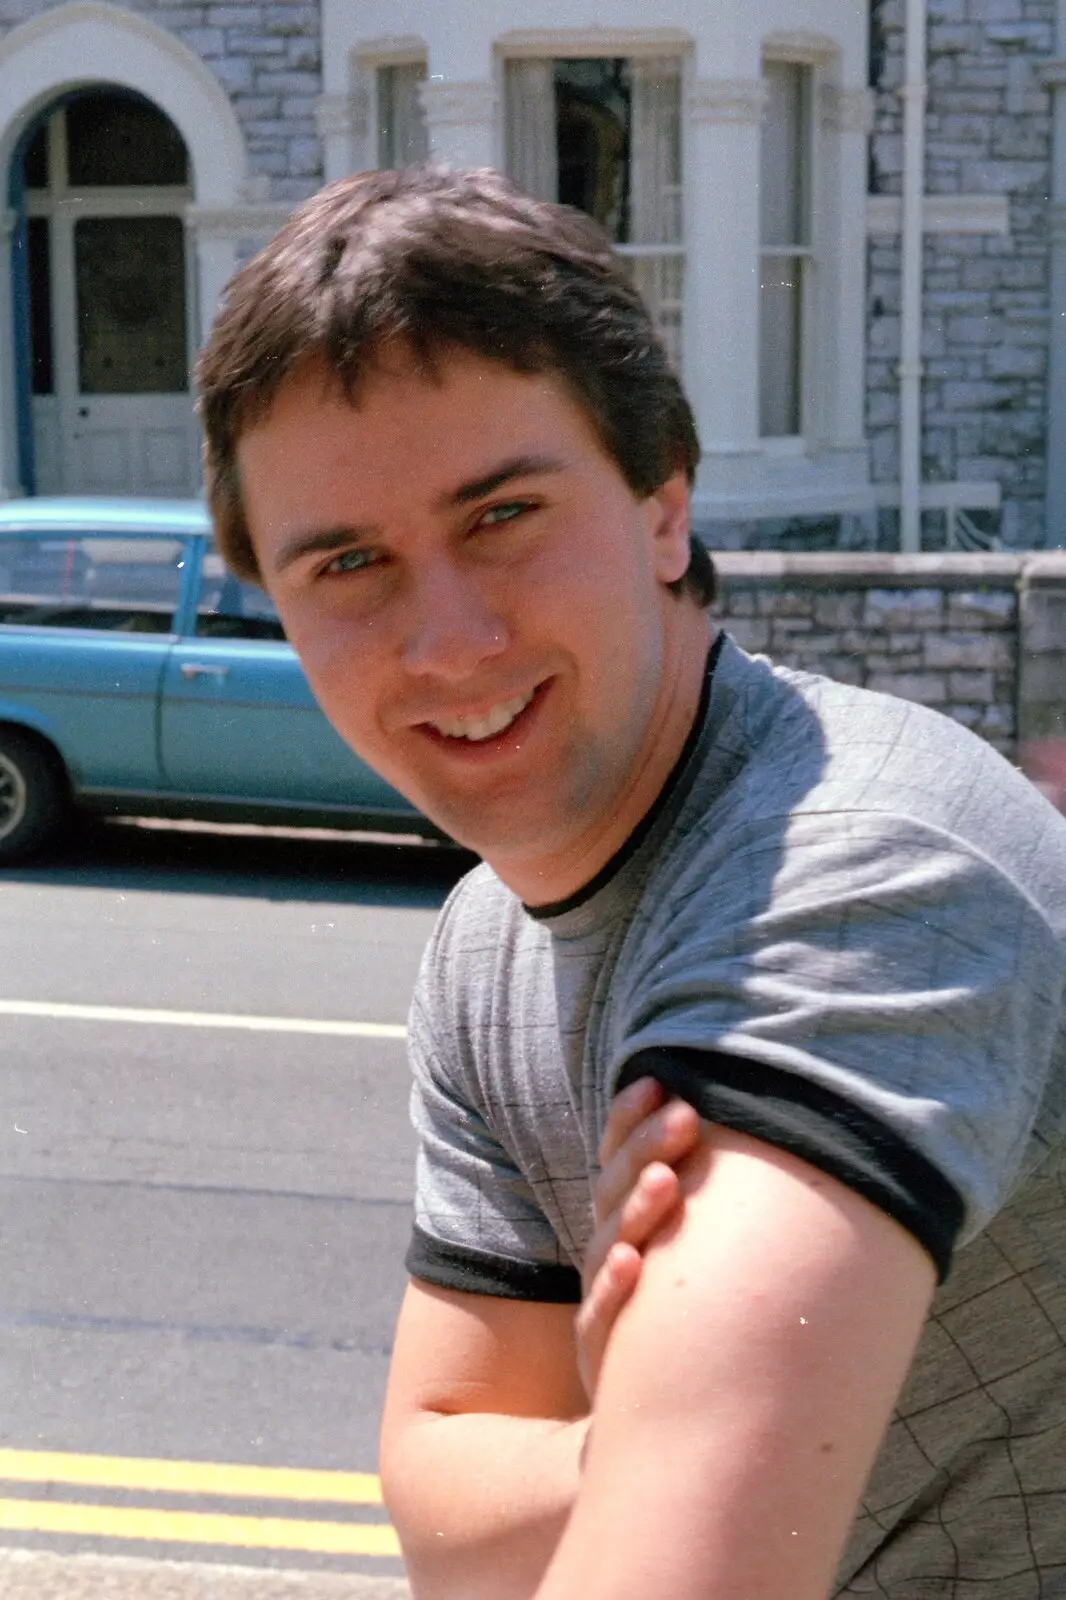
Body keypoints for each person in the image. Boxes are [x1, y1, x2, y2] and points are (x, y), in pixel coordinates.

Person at [195, 165, 1066, 1600]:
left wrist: (647, 1440)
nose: (449, 640)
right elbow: (440, 1506)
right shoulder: (489, 941)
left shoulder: (859, 876)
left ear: (663, 505)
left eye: (501, 515)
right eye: (349, 562)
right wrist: (638, 1443)